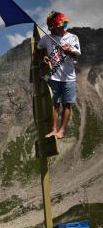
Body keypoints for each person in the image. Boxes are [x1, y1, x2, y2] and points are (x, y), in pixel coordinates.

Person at [37, 11, 81, 139]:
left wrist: (69, 51)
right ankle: (54, 129)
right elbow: (38, 49)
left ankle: (61, 130)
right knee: (55, 104)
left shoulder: (73, 38)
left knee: (67, 104)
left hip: (69, 77)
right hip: (54, 76)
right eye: (57, 26)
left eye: (62, 25)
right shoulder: (46, 38)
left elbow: (76, 54)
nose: (61, 28)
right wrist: (43, 56)